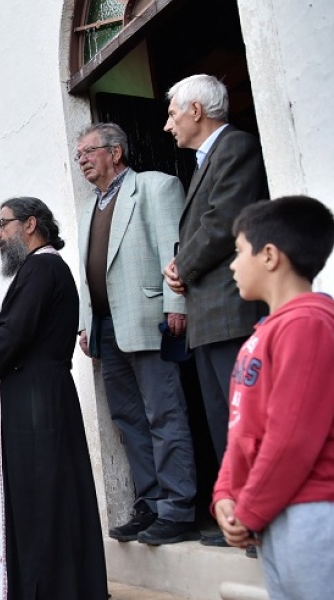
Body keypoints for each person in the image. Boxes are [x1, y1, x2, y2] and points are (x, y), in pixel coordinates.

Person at [0, 197, 107, 599]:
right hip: (39, 396)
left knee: (41, 502)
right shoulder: (40, 268)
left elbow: (15, 333)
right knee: (47, 499)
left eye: (3, 223)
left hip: (38, 404)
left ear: (30, 224)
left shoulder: (42, 267)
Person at [74, 122, 199, 545]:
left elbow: (174, 252)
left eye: (89, 151)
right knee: (128, 420)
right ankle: (151, 503)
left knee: (164, 413)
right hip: (107, 329)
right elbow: (90, 274)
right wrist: (86, 324)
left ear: (116, 152)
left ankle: (179, 509)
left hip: (149, 321)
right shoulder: (90, 208)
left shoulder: (155, 187)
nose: (82, 160)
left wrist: (176, 304)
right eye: (79, 155)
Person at [161, 75, 269, 546]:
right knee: (225, 422)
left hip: (231, 313)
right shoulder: (208, 159)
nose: (168, 126)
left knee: (245, 422)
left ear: (196, 111)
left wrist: (181, 264)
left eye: (172, 115)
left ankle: (258, 521)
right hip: (209, 318)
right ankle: (238, 519)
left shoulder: (235, 147)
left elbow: (224, 220)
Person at [213, 196, 334, 599]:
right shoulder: (265, 332)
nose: (233, 265)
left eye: (238, 251)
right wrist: (225, 495)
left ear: (269, 255)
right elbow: (242, 431)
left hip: (311, 513)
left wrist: (248, 510)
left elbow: (291, 438)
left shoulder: (308, 324)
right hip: (271, 512)